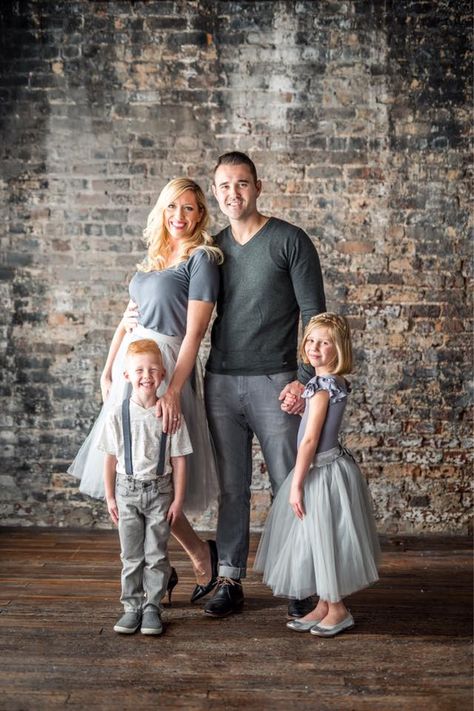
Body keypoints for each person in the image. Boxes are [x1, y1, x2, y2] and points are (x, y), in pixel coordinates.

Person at [68, 178, 222, 602]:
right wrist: (106, 369)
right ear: (162, 209)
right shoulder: (154, 256)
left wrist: (173, 389)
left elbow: (194, 335)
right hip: (130, 370)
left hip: (167, 367)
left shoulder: (201, 260)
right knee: (132, 472)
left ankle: (200, 555)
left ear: (201, 215)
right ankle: (162, 571)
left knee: (157, 474)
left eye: (189, 209)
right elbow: (128, 317)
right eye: (173, 207)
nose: (179, 216)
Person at [203, 151, 326, 618]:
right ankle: (230, 579)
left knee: (287, 483)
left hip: (277, 383)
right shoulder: (212, 249)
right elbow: (186, 308)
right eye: (224, 186)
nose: (233, 193)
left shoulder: (290, 241)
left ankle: (298, 581)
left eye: (242, 184)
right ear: (215, 192)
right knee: (232, 488)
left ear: (258, 186)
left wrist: (303, 379)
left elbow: (316, 316)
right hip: (220, 381)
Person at [254, 313, 380, 637]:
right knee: (317, 538)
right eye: (311, 340)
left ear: (339, 349)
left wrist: (295, 483)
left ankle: (338, 609)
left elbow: (310, 439)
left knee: (324, 539)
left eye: (325, 342)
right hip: (324, 466)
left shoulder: (323, 387)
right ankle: (323, 605)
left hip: (320, 471)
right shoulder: (324, 383)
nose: (315, 348)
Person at [99, 339, 192, 635]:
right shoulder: (118, 414)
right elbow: (110, 458)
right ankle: (131, 606)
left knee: (156, 553)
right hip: (127, 491)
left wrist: (178, 500)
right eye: (139, 369)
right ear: (127, 375)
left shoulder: (170, 414)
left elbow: (178, 460)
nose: (146, 375)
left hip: (160, 492)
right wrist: (110, 495)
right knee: (131, 555)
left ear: (163, 374)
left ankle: (152, 607)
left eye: (153, 369)